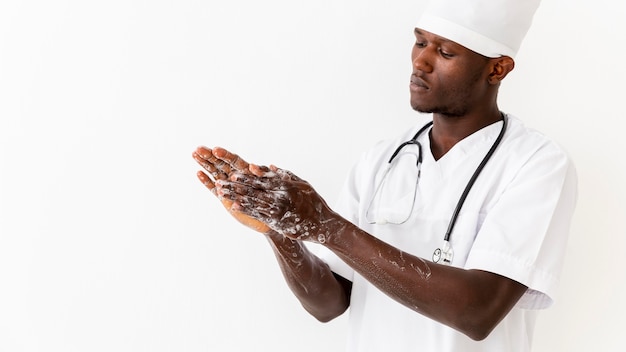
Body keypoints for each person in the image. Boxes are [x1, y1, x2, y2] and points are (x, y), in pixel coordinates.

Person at [192, 0, 577, 350]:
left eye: (445, 52)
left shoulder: (536, 163)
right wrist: (279, 229)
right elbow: (330, 304)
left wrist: (327, 225)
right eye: (420, 42)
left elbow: (476, 313)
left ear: (497, 68)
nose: (420, 62)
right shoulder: (381, 160)